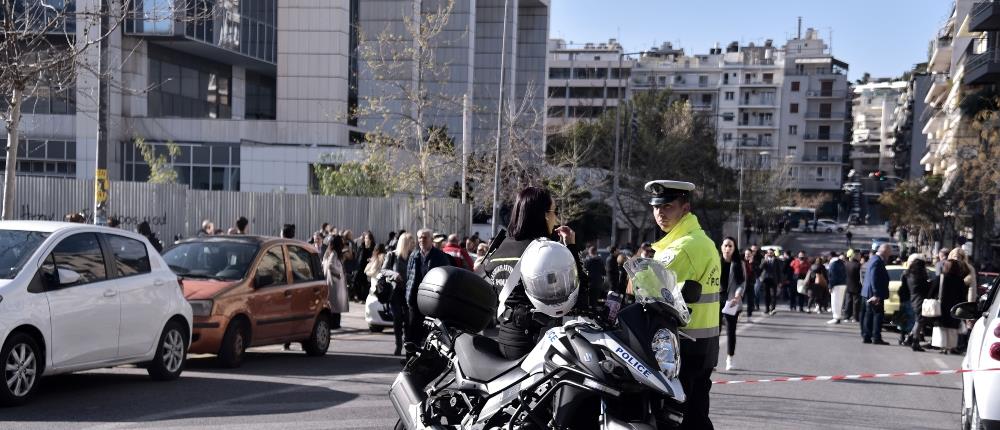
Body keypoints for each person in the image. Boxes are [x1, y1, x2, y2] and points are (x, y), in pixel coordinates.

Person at [479, 186, 589, 359]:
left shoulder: (500, 247)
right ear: (544, 215)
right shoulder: (543, 251)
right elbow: (579, 289)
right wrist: (571, 247)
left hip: (505, 337)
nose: (556, 217)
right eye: (554, 211)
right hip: (536, 342)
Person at [645, 180, 720, 430]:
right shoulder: (698, 240)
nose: (660, 213)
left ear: (685, 209)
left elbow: (649, 293)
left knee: (676, 419)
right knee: (695, 416)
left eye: (667, 206)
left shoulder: (683, 248)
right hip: (701, 343)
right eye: (656, 207)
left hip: (682, 346)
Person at [404, 229, 452, 348]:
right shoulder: (414, 255)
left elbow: (446, 276)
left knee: (429, 332)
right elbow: (408, 277)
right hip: (415, 299)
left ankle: (426, 362)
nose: (421, 240)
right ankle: (410, 359)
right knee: (412, 331)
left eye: (425, 238)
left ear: (431, 240)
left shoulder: (440, 256)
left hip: (431, 300)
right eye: (420, 237)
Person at [928, 259, 969, 354]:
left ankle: (943, 347)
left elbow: (932, 292)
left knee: (941, 328)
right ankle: (951, 347)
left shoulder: (940, 278)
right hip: (954, 308)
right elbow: (963, 296)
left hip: (941, 307)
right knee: (952, 329)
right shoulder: (960, 281)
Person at [384, 232, 414, 356]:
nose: (413, 244)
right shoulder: (392, 255)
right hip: (395, 292)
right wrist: (394, 274)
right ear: (405, 243)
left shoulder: (414, 256)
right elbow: (383, 270)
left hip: (409, 292)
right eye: (411, 242)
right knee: (397, 318)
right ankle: (398, 345)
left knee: (408, 320)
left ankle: (407, 346)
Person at [719, 237, 745, 371]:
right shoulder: (716, 261)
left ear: (734, 248)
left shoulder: (738, 263)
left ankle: (730, 358)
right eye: (725, 246)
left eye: (730, 246)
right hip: (716, 300)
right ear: (721, 247)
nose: (727, 248)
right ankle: (712, 361)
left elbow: (742, 282)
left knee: (730, 331)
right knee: (714, 333)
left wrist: (737, 295)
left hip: (732, 301)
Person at [861, 244, 891, 345]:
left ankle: (867, 336)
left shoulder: (873, 259)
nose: (890, 254)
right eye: (889, 252)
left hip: (869, 292)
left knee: (869, 315)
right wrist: (876, 294)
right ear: (884, 251)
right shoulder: (877, 260)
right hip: (874, 293)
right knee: (877, 315)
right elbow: (874, 278)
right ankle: (876, 337)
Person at [903, 254, 930, 350]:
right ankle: (915, 341)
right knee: (919, 321)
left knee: (918, 321)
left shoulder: (909, 274)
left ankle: (909, 338)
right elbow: (925, 287)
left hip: (913, 298)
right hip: (920, 299)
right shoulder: (919, 276)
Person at [324, 235, 349, 330]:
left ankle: (334, 323)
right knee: (336, 304)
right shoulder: (334, 253)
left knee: (334, 304)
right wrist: (337, 274)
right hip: (335, 282)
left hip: (332, 282)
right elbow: (330, 265)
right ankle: (335, 324)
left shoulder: (330, 252)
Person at [827, 251, 847, 324]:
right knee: (840, 301)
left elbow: (832, 276)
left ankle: (836, 317)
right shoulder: (841, 263)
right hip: (843, 284)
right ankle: (838, 316)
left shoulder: (833, 264)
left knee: (835, 301)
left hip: (836, 285)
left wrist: (830, 286)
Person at [757, 250, 779, 315]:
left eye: (771, 253)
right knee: (766, 295)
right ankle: (767, 309)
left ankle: (773, 309)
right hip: (765, 279)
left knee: (773, 295)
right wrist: (764, 261)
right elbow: (760, 268)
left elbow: (779, 271)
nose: (770, 254)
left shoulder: (776, 260)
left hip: (773, 279)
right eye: (768, 253)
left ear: (773, 253)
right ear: (766, 254)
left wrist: (780, 281)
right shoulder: (763, 260)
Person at [843, 249, 862, 323]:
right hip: (856, 285)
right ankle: (855, 317)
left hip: (847, 285)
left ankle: (846, 316)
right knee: (856, 302)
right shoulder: (858, 265)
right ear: (855, 256)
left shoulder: (845, 264)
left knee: (848, 301)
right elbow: (861, 277)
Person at [742, 249, 756, 320]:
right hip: (742, 284)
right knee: (740, 300)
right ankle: (738, 314)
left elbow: (756, 271)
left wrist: (752, 264)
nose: (747, 255)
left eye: (749, 254)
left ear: (751, 255)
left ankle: (749, 316)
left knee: (750, 300)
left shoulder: (753, 263)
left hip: (750, 284)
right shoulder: (741, 262)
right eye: (746, 254)